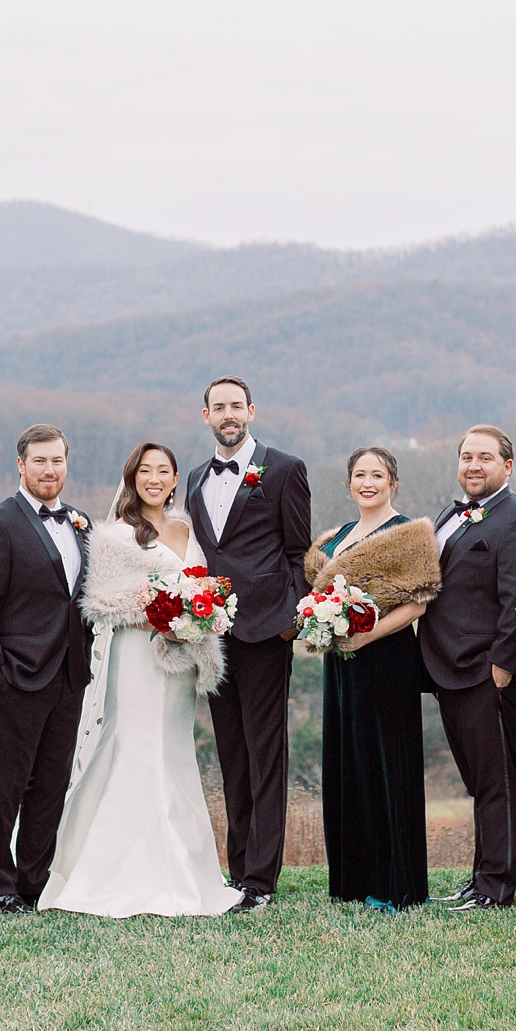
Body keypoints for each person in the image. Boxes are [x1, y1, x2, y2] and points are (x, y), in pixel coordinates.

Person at [39, 443, 242, 917]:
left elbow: (203, 586)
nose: (155, 478)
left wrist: (196, 616)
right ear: (132, 478)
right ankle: (116, 870)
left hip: (180, 659)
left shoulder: (188, 528)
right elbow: (104, 601)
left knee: (173, 751)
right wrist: (158, 615)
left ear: (175, 479)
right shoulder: (113, 535)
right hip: (136, 656)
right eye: (145, 470)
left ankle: (184, 867)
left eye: (164, 470)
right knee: (131, 744)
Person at [180, 376, 313, 913]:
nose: (228, 414)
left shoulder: (284, 469)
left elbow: (299, 550)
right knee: (231, 753)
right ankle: (237, 870)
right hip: (212, 637)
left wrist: (290, 620)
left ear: (252, 411)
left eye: (237, 405)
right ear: (205, 415)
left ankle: (261, 877)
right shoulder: (192, 478)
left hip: (265, 632)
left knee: (265, 753)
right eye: (219, 407)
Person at [417, 425, 516, 911]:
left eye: (485, 458)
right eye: (467, 457)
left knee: (496, 781)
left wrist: (501, 668)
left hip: (488, 675)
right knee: (480, 782)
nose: (474, 466)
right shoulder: (447, 517)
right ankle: (481, 878)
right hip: (447, 672)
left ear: (507, 466)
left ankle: (496, 887)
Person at [0, 424, 93, 914]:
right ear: (20, 465)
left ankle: (33, 882)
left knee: (51, 783)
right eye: (40, 461)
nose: (49, 470)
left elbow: (81, 598)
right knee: (7, 783)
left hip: (69, 675)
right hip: (17, 674)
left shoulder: (81, 522)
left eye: (57, 460)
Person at [304, 446, 439, 910]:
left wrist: (367, 637)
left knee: (385, 763)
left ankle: (393, 883)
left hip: (387, 660)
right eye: (359, 474)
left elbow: (417, 603)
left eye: (377, 475)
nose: (368, 482)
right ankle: (352, 879)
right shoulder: (335, 538)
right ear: (348, 484)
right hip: (341, 663)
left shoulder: (408, 533)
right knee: (349, 763)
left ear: (393, 482)